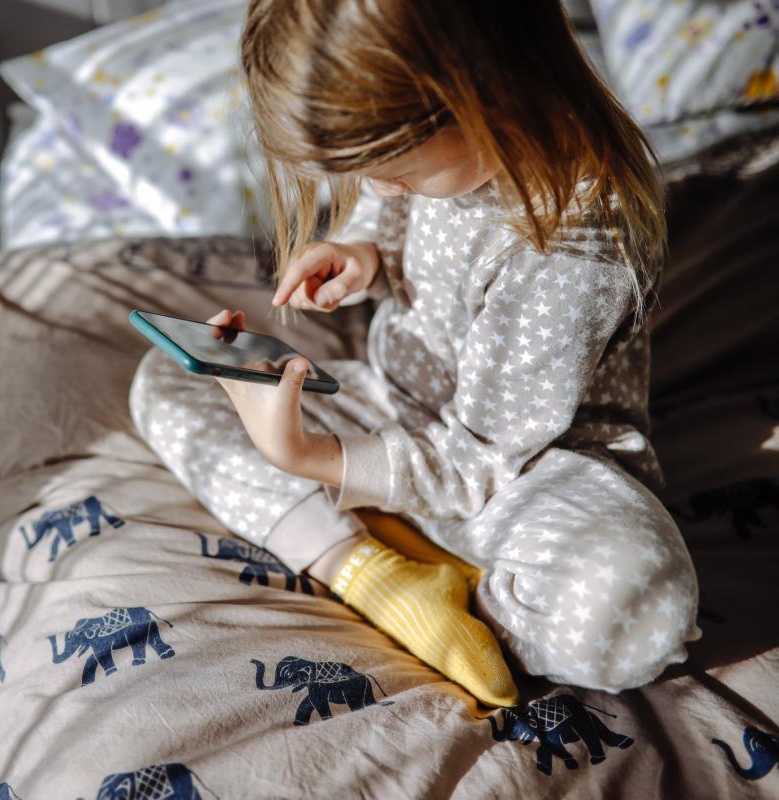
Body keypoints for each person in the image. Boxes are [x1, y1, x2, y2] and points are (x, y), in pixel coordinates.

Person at [129, 0, 699, 707]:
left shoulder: (578, 243)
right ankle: (371, 571)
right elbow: (400, 211)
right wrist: (363, 253)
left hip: (524, 473)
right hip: (395, 409)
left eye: (396, 170)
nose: (376, 188)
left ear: (495, 94)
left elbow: (483, 458)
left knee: (634, 609)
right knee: (168, 375)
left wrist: (308, 460)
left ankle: (374, 533)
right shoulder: (455, 150)